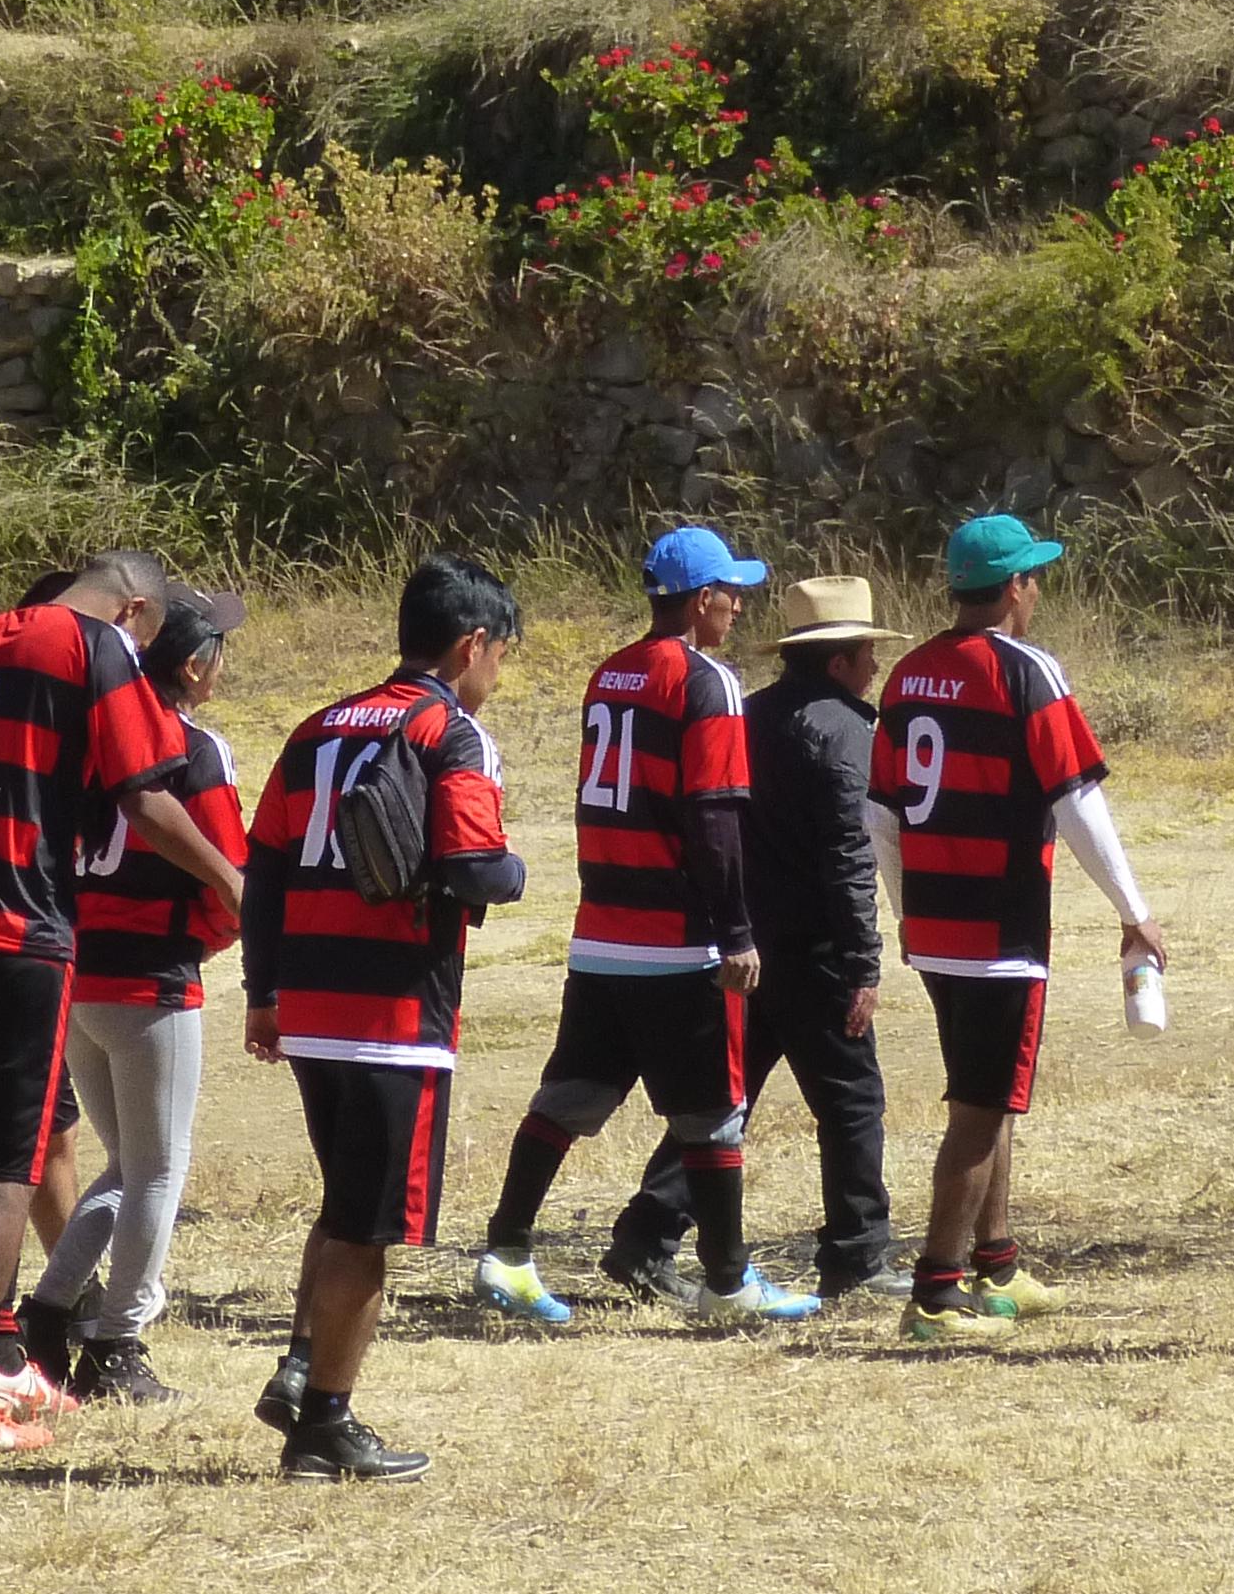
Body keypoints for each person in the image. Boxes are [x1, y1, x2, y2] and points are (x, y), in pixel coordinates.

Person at [0, 546, 225, 1455]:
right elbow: (146, 798)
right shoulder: (96, 644)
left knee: (2, 1131)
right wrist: (237, 882)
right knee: (15, 1153)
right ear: (137, 613)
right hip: (12, 921)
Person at [470, 528, 818, 1331]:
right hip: (677, 937)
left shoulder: (609, 673)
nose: (738, 606)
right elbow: (714, 814)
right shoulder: (706, 681)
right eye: (731, 592)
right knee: (713, 1114)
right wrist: (735, 931)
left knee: (566, 1099)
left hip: (602, 931)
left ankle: (508, 1252)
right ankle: (728, 1283)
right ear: (701, 600)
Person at [239, 553, 530, 1484]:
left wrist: (263, 989)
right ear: (471, 644)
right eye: (500, 654)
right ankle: (326, 1423)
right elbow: (481, 868)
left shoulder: (318, 725)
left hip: (312, 998)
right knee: (368, 1229)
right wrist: (510, 867)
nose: (498, 674)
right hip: (391, 1008)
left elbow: (268, 867)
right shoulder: (450, 729)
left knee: (342, 1204)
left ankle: (298, 1368)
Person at [871, 512, 1165, 1347]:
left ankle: (995, 1263)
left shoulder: (908, 674)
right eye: (1033, 577)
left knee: (986, 1091)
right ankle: (934, 1294)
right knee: (979, 1107)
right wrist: (1132, 911)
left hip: (932, 922)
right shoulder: (1028, 670)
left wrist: (905, 912)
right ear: (1012, 588)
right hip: (999, 927)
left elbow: (880, 816)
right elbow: (1078, 801)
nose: (1037, 591)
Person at [609, 573, 904, 1307]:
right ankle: (857, 1254)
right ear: (839, 661)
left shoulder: (748, 712)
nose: (875, 666)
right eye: (867, 652)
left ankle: (646, 1235)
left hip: (745, 945)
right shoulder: (845, 731)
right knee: (851, 1102)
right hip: (813, 949)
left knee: (724, 1099)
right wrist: (863, 962)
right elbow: (848, 855)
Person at [21, 585, 252, 1402]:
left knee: (127, 1164)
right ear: (193, 665)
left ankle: (47, 1314)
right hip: (150, 974)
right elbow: (229, 874)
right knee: (158, 1171)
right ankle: (116, 1342)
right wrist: (211, 945)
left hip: (75, 971)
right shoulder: (191, 747)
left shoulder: (87, 739)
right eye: (218, 647)